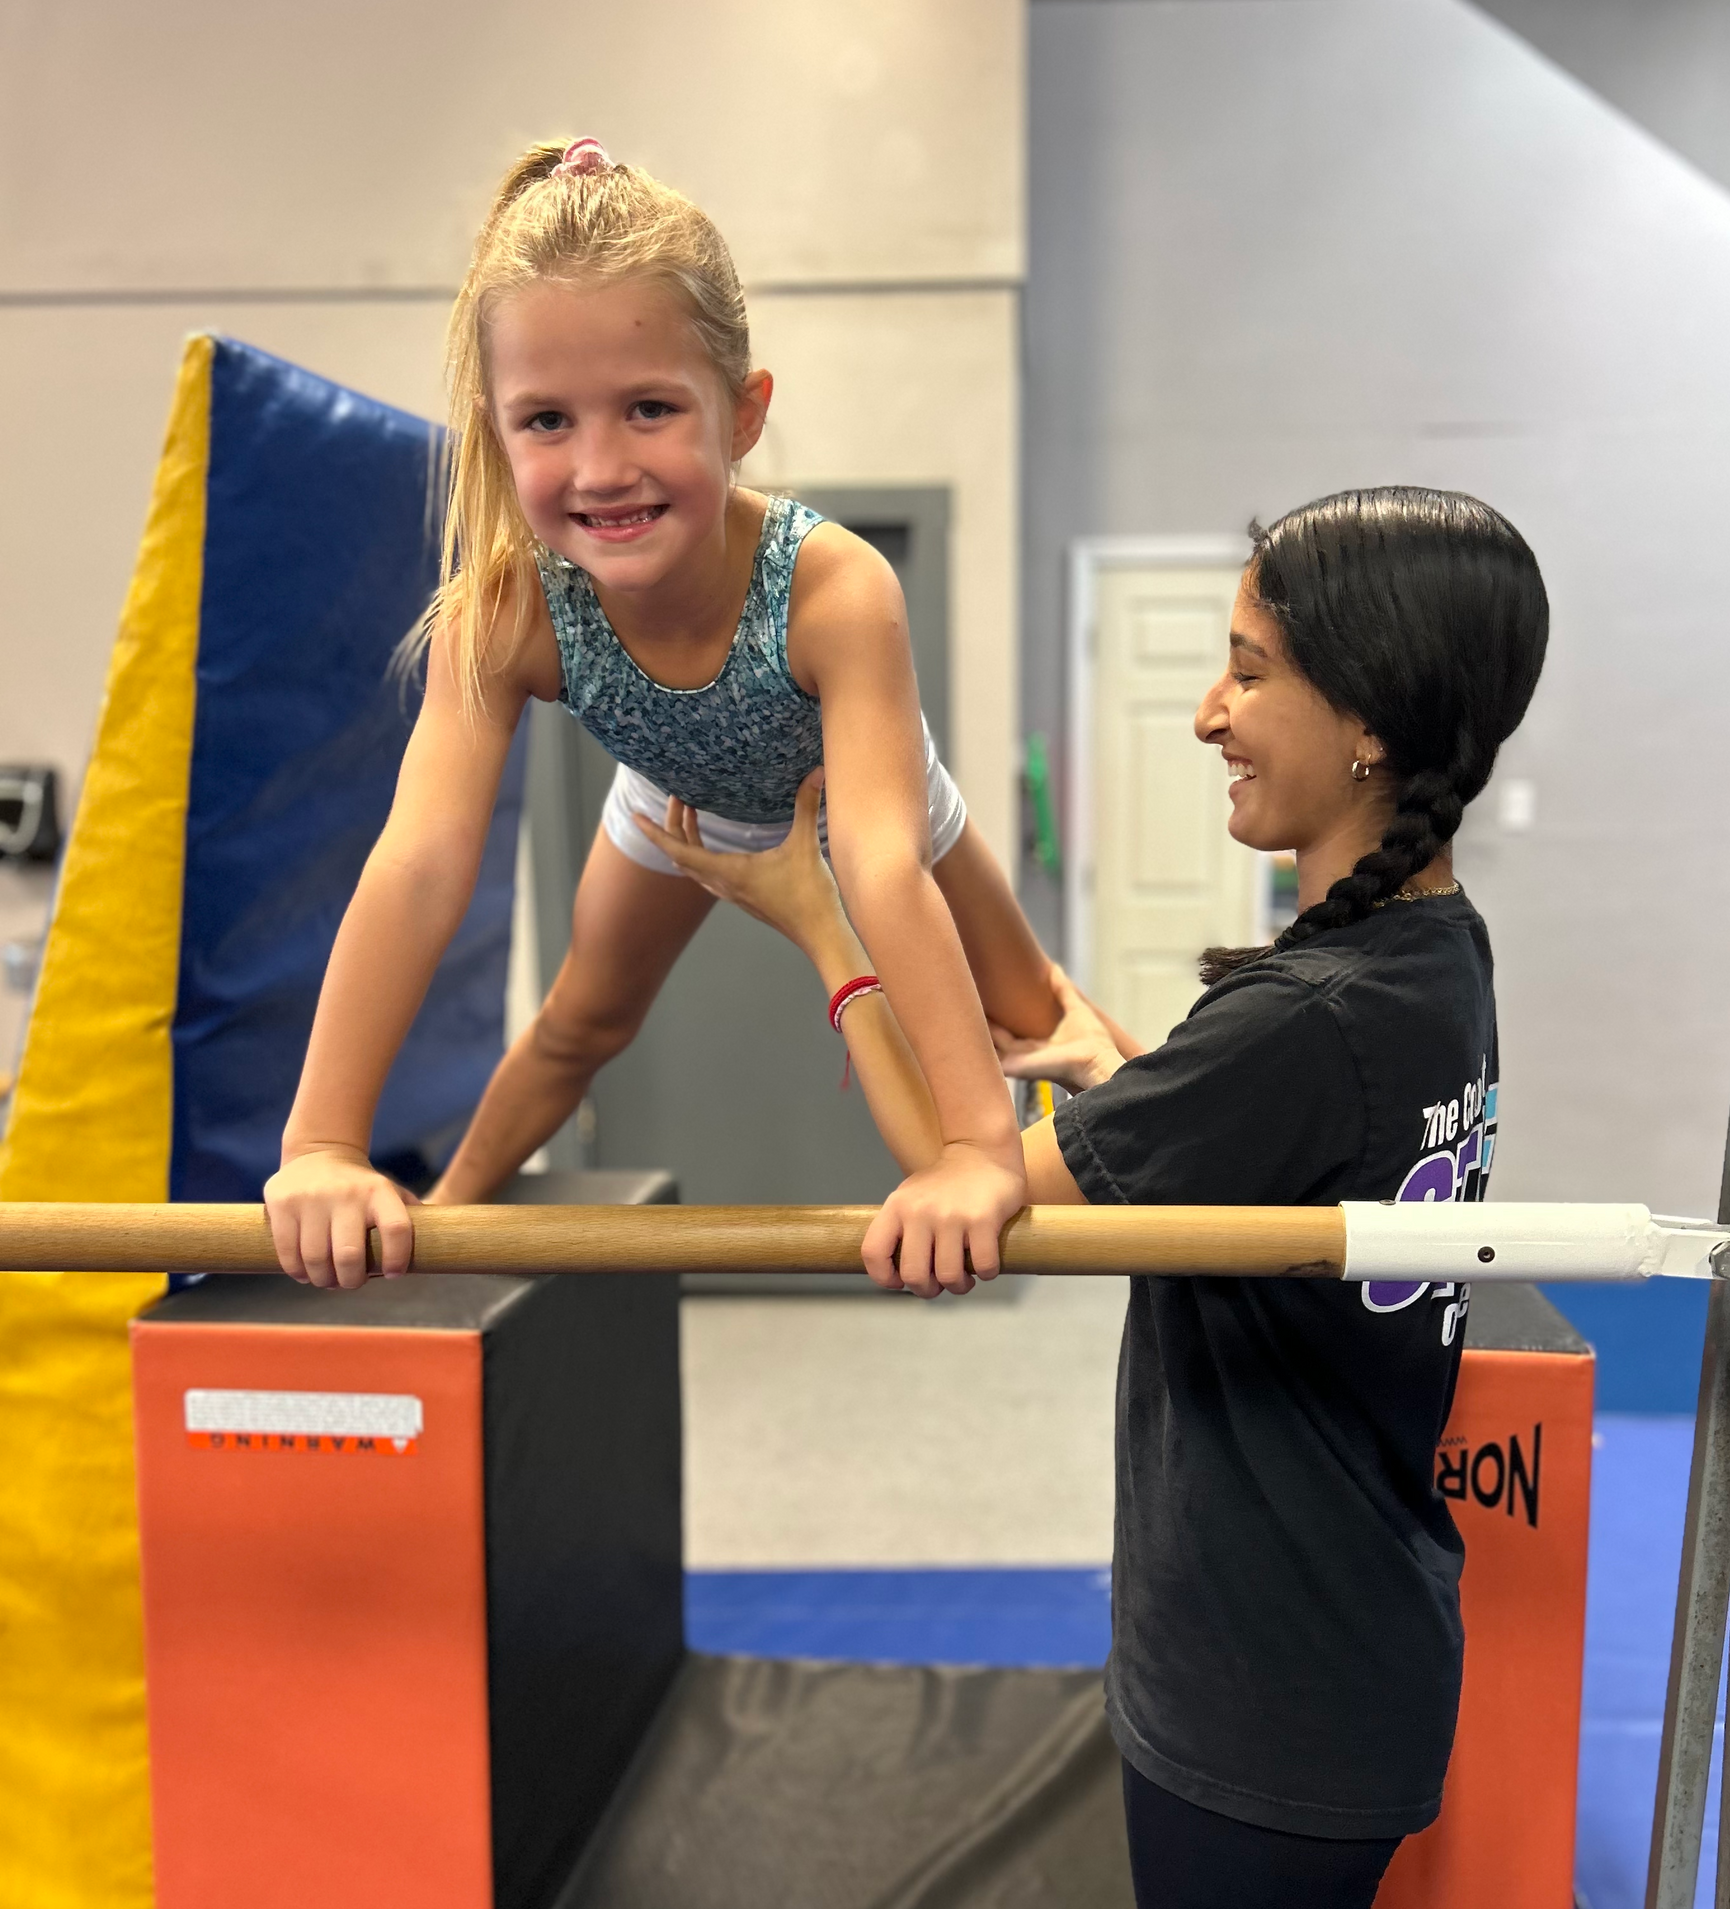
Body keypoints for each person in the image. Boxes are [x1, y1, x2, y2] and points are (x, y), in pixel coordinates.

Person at [645, 486, 1549, 1908]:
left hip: (1262, 1689)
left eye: (1250, 670)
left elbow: (968, 1190)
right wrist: (1123, 1064)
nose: (1207, 713)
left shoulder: (1303, 1020)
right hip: (1343, 1644)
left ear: (1370, 718)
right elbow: (1308, 1143)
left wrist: (829, 932)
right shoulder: (1437, 954)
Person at [264, 137, 1056, 1288]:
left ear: (742, 414)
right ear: (494, 430)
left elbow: (883, 864)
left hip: (864, 799)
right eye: (546, 421)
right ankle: (447, 1217)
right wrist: (323, 1146)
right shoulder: (502, 613)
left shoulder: (834, 588)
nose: (600, 467)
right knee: (582, 1022)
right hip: (671, 800)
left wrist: (978, 1152)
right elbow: (421, 863)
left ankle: (1191, 1151)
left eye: (647, 408)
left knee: (1033, 1015)